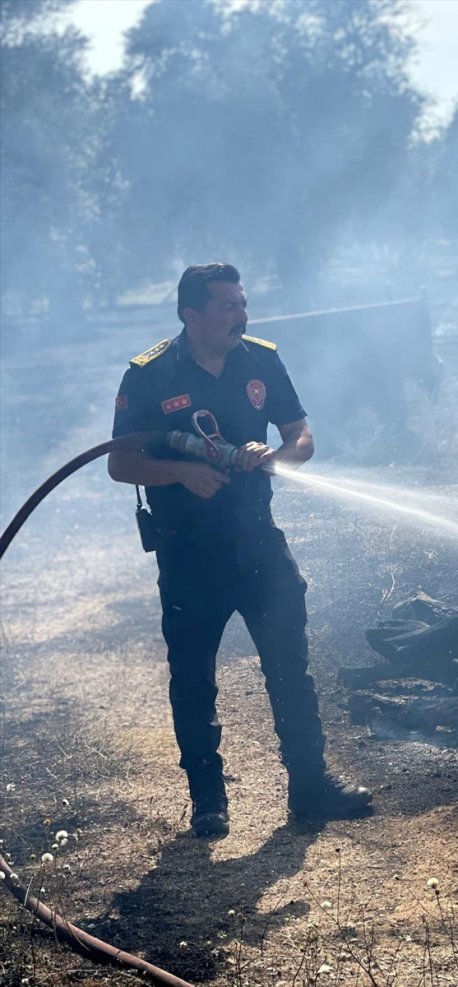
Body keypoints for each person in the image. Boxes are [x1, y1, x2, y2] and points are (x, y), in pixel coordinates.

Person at [108, 262, 372, 836]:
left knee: (290, 667)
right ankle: (208, 801)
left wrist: (275, 456)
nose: (240, 315)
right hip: (188, 551)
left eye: (242, 303)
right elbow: (120, 463)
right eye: (226, 306)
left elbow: (302, 434)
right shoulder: (149, 373)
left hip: (256, 539)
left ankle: (310, 787)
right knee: (194, 677)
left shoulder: (261, 358)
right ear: (192, 315)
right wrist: (181, 474)